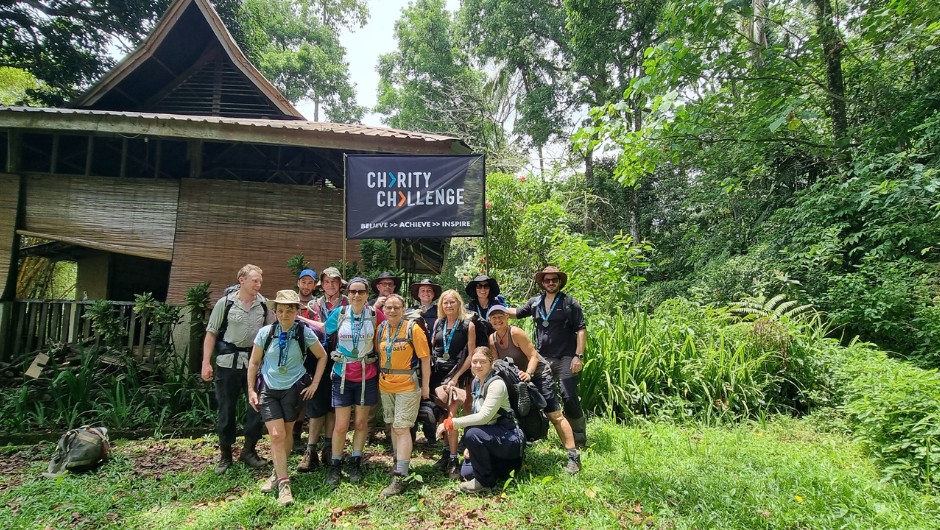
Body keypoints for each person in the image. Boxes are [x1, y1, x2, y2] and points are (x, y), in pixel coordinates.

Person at [247, 290, 328, 506]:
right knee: (276, 435)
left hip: (293, 388)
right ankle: (284, 484)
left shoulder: (304, 332)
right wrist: (251, 390)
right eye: (280, 311)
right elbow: (254, 362)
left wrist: (315, 384)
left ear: (296, 311)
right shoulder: (266, 332)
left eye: (289, 310)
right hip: (269, 388)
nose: (284, 315)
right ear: (275, 312)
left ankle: (276, 471)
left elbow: (322, 356)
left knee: (287, 433)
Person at [487, 305, 581, 473]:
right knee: (518, 415)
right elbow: (496, 362)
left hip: (538, 374)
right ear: (489, 321)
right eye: (493, 317)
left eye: (500, 316)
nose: (497, 320)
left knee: (554, 414)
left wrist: (529, 373)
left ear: (507, 317)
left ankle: (573, 456)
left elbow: (532, 355)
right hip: (516, 379)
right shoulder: (492, 339)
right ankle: (519, 455)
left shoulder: (515, 332)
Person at [201, 264, 271, 474]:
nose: (258, 285)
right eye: (254, 281)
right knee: (226, 408)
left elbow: (271, 333)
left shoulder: (264, 305)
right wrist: (206, 363)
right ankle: (225, 454)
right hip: (227, 363)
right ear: (242, 280)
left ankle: (249, 450)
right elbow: (211, 333)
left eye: (260, 281)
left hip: (254, 363)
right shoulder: (226, 303)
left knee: (256, 408)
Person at [509, 266, 588, 445]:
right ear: (542, 283)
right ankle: (539, 432)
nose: (550, 283)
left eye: (554, 280)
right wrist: (495, 308)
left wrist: (579, 356)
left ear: (559, 282)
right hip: (542, 357)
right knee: (538, 394)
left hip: (566, 357)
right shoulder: (535, 303)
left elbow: (581, 330)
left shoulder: (570, 303)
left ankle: (578, 437)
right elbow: (517, 313)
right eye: (547, 280)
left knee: (569, 397)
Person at [437, 346, 524, 494]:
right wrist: (472, 447)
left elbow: (485, 417)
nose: (478, 365)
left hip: (511, 438)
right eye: (475, 361)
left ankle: (485, 482)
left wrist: (450, 423)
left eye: (482, 362)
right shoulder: (477, 381)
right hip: (495, 435)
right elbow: (480, 417)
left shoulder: (497, 384)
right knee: (467, 472)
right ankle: (502, 469)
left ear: (491, 363)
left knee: (472, 433)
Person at [324, 277, 386, 485]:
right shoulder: (341, 313)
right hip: (342, 374)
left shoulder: (374, 314)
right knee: (341, 425)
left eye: (361, 292)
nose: (357, 295)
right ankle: (335, 463)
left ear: (368, 294)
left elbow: (389, 330)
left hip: (366, 375)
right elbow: (323, 329)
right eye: (353, 292)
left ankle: (355, 461)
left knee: (360, 423)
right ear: (347, 294)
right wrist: (299, 319)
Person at [376, 294, 431, 496]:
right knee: (393, 426)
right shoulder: (381, 328)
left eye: (396, 307)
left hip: (408, 384)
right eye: (388, 307)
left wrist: (425, 386)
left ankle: (401, 475)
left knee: (401, 427)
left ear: (403, 309)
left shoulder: (412, 328)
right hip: (386, 384)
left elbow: (425, 359)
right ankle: (398, 463)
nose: (392, 311)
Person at [297, 266, 347, 472]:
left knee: (335, 405)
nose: (330, 285)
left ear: (340, 284)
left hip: (342, 358)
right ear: (321, 284)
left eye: (334, 281)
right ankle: (310, 450)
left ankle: (329, 447)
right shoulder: (313, 305)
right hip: (316, 358)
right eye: (326, 281)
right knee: (316, 405)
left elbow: (326, 326)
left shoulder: (348, 304)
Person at [430, 289, 476, 478]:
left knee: (452, 415)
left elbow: (471, 354)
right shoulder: (438, 323)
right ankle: (445, 452)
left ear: (459, 303)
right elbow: (433, 347)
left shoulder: (468, 325)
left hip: (459, 374)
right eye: (445, 303)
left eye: (452, 302)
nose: (448, 306)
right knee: (442, 414)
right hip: (439, 375)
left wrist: (456, 376)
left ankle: (453, 460)